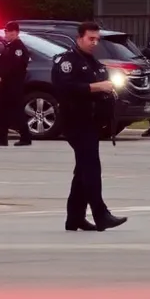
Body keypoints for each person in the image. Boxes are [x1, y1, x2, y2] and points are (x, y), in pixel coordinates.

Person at [52, 21, 128, 232]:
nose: (94, 42)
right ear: (79, 39)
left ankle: (74, 218)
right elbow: (64, 88)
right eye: (90, 39)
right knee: (91, 168)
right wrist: (96, 87)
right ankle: (101, 214)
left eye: (97, 39)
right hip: (75, 121)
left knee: (83, 170)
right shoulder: (67, 61)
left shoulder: (93, 62)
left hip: (91, 122)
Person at [0, 22, 32, 147]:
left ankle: (25, 137)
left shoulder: (18, 48)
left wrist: (4, 76)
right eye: (5, 31)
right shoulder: (9, 46)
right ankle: (1, 138)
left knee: (17, 111)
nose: (6, 34)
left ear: (15, 32)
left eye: (8, 32)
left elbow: (15, 67)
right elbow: (2, 62)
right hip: (7, 85)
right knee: (3, 112)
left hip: (13, 85)